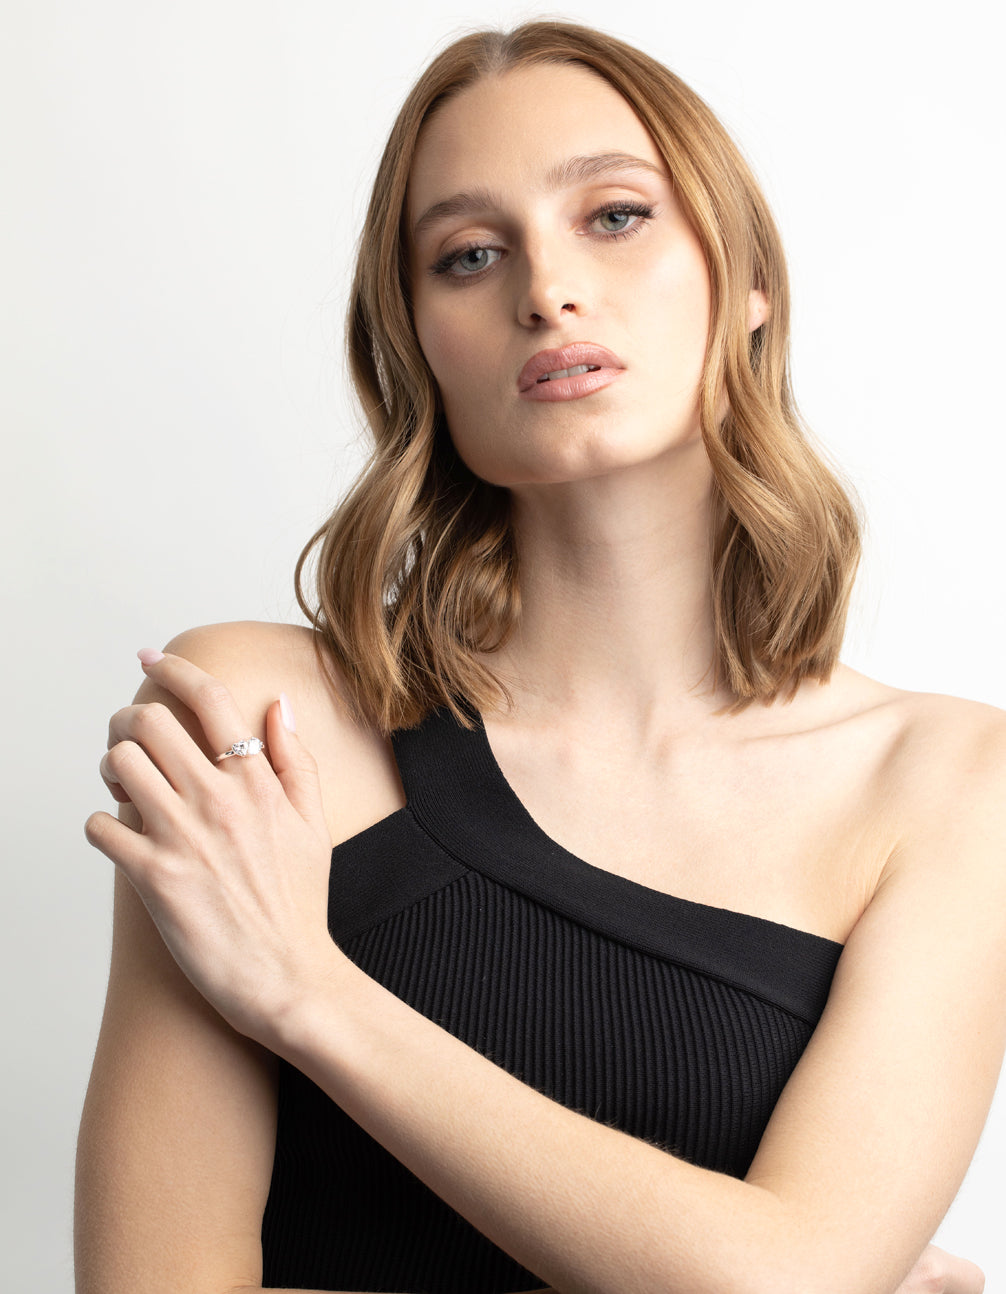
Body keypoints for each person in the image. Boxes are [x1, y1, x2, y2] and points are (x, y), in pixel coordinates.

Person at [75, 20, 1003, 1294]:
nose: (546, 290)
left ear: (747, 281)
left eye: (614, 216)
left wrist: (305, 991)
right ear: (415, 341)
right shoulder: (259, 721)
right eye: (468, 253)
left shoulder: (952, 783)